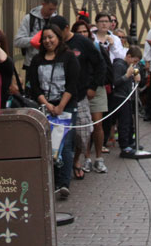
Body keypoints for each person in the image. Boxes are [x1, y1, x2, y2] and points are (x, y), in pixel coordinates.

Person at [26, 24, 79, 200]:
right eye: (45, 38)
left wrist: (61, 106)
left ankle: (64, 183)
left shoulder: (69, 57)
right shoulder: (37, 60)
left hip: (66, 106)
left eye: (51, 37)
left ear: (58, 37)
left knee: (65, 144)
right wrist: (47, 105)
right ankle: (51, 181)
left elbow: (73, 83)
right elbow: (34, 86)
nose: (48, 41)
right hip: (45, 106)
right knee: (48, 144)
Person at [57, 17, 105, 179]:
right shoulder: (54, 44)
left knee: (82, 133)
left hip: (80, 94)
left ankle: (77, 159)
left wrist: (93, 86)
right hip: (59, 96)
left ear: (66, 28)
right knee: (62, 134)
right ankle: (64, 166)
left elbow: (100, 64)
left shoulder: (82, 42)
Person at [14, 0, 59, 71]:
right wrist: (35, 40)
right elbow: (17, 41)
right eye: (50, 9)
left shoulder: (57, 20)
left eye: (54, 9)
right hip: (32, 65)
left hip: (53, 64)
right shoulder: (29, 19)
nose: (52, 12)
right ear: (43, 4)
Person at [112, 46, 143, 157]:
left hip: (127, 96)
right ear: (128, 56)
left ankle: (130, 141)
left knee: (129, 121)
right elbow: (116, 82)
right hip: (120, 97)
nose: (134, 64)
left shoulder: (129, 66)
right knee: (124, 122)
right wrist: (127, 76)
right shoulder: (119, 66)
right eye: (134, 61)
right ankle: (124, 146)